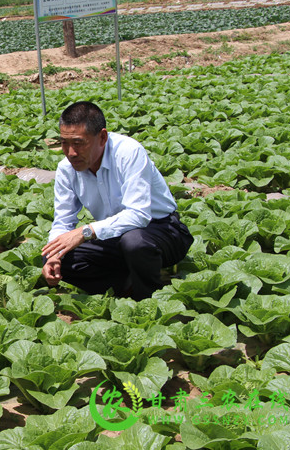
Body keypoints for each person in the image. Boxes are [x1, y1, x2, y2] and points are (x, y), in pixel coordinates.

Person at [41, 101, 193, 300]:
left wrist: (85, 231)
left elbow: (139, 215)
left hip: (163, 230)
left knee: (135, 242)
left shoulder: (129, 153)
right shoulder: (66, 169)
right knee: (56, 251)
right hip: (114, 235)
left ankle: (150, 298)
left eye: (78, 143)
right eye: (64, 143)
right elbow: (63, 220)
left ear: (102, 137)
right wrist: (54, 256)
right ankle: (125, 286)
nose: (71, 152)